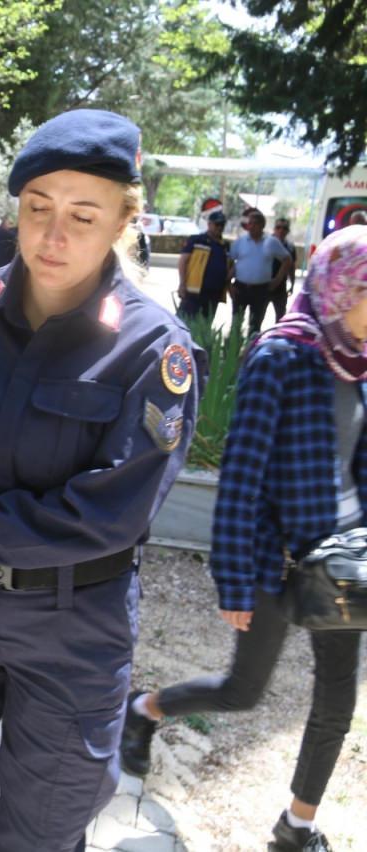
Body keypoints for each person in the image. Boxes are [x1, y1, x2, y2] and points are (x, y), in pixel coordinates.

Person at [0, 109, 203, 851]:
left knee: (40, 837)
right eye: (37, 209)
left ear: (125, 217)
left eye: (83, 215)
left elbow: (108, 513)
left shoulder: (153, 346)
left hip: (73, 626)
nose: (54, 236)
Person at [121, 224, 367, 852]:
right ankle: (145, 710)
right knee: (244, 691)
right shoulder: (279, 356)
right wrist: (233, 579)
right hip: (274, 564)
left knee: (337, 697)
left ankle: (297, 825)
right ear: (343, 287)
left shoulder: (359, 362)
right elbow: (241, 481)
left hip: (341, 562)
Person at [231, 210, 294, 336]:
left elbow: (287, 260)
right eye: (250, 223)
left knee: (255, 325)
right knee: (236, 324)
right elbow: (230, 262)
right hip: (240, 288)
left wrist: (277, 280)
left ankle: (249, 352)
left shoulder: (271, 242)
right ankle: (233, 352)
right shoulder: (240, 242)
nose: (251, 226)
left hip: (260, 290)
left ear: (262, 226)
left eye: (255, 224)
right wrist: (228, 285)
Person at [178, 208, 232, 321]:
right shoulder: (196, 240)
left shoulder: (225, 246)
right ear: (209, 224)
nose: (219, 227)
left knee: (204, 327)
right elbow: (183, 261)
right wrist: (182, 284)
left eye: (222, 224)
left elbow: (230, 266)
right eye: (217, 224)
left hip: (214, 293)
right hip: (194, 291)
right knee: (184, 323)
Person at [271, 216, 298, 320]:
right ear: (274, 229)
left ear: (288, 231)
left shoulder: (290, 247)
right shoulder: (266, 243)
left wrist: (292, 284)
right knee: (257, 317)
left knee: (280, 316)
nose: (281, 230)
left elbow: (292, 267)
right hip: (265, 285)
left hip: (281, 287)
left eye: (284, 228)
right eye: (278, 227)